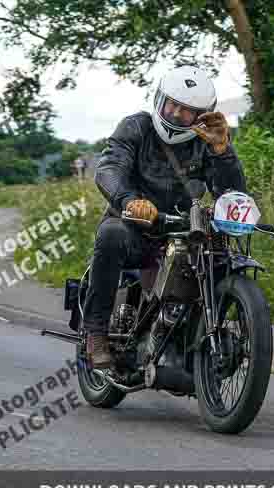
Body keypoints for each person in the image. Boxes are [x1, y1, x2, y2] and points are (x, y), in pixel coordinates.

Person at [83, 65, 246, 370]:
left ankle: (197, 335)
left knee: (220, 258)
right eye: (171, 104)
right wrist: (130, 201)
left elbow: (231, 194)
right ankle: (96, 332)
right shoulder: (136, 127)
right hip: (136, 228)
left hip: (186, 232)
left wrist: (223, 151)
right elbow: (109, 168)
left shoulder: (206, 140)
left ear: (202, 115)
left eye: (186, 111)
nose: (175, 114)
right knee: (111, 235)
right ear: (159, 99)